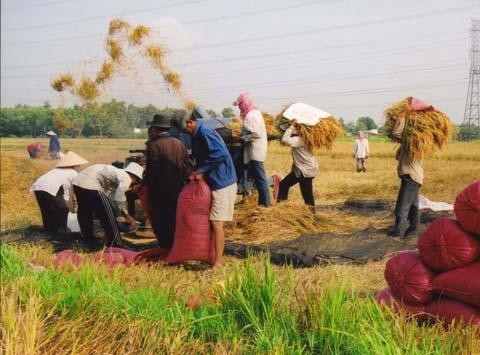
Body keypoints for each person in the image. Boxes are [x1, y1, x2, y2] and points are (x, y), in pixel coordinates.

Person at [185, 112, 237, 267]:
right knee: (212, 222)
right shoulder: (197, 134)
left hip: (223, 182)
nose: (184, 132)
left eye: (184, 128)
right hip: (215, 182)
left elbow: (220, 154)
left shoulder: (205, 132)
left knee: (216, 222)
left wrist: (201, 170)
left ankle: (218, 262)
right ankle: (212, 256)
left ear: (190, 122)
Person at [72, 162, 143, 248]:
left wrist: (117, 212)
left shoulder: (116, 174)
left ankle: (88, 240)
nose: (133, 184)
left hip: (78, 182)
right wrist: (128, 216)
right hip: (91, 183)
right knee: (108, 215)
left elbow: (111, 197)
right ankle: (115, 243)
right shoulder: (127, 177)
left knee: (85, 212)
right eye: (137, 181)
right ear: (134, 177)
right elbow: (119, 197)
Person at [145, 114, 189, 249]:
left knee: (161, 221)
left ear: (154, 129)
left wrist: (145, 186)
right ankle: (177, 247)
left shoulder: (154, 145)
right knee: (176, 219)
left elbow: (153, 171)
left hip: (160, 191)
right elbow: (187, 166)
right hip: (179, 189)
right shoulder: (180, 144)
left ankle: (166, 249)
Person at [29, 151, 88, 237]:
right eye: (77, 165)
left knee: (46, 210)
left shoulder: (56, 170)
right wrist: (71, 205)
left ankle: (48, 230)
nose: (78, 166)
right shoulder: (73, 172)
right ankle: (62, 232)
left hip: (38, 187)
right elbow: (71, 191)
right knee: (63, 209)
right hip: (50, 187)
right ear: (74, 164)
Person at [233, 93, 270, 207]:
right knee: (258, 179)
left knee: (260, 179)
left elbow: (254, 134)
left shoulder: (250, 116)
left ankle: (265, 204)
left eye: (240, 104)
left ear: (245, 103)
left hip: (255, 151)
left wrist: (241, 138)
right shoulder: (256, 112)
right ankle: (262, 203)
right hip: (258, 149)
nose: (239, 107)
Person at [391, 117, 423, 238]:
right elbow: (398, 156)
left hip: (410, 177)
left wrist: (402, 119)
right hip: (416, 178)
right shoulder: (417, 141)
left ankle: (398, 232)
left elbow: (396, 133)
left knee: (402, 206)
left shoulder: (413, 140)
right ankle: (414, 230)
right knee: (414, 205)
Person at [277, 120, 318, 208]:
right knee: (285, 184)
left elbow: (285, 140)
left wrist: (291, 126)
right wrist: (290, 124)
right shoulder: (306, 137)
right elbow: (283, 128)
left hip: (305, 171)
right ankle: (281, 208)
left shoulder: (300, 139)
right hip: (302, 170)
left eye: (296, 127)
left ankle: (281, 208)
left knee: (307, 195)